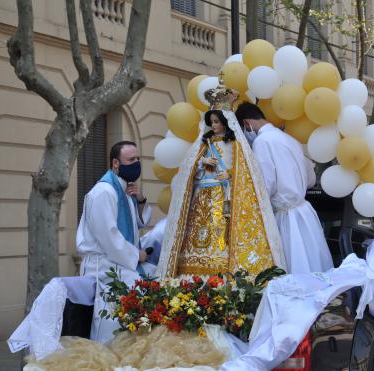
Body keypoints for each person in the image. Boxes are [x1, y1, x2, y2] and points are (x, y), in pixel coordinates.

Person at [156, 86, 286, 278]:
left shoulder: (235, 144)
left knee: (221, 234)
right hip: (202, 197)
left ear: (226, 122)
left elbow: (247, 172)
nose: (214, 125)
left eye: (217, 121)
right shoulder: (203, 143)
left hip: (223, 195)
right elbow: (187, 170)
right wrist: (201, 162)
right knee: (199, 234)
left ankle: (222, 272)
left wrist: (231, 174)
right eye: (211, 122)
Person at [235, 102, 334, 274]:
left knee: (291, 271)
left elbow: (265, 184)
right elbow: (310, 179)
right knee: (314, 267)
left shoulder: (262, 142)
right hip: (305, 213)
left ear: (246, 124)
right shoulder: (289, 139)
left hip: (285, 217)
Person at [77, 141, 151, 343]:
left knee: (153, 280)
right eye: (130, 160)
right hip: (104, 266)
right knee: (112, 323)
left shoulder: (124, 189)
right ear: (116, 163)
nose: (136, 163)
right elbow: (109, 236)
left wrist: (141, 200)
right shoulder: (103, 192)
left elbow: (137, 224)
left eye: (137, 159)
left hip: (119, 261)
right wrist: (137, 255)